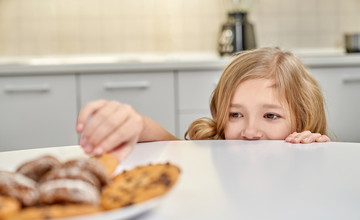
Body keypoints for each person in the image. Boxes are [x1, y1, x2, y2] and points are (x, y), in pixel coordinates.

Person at [76, 47, 331, 161]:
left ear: (303, 118)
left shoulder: (309, 151)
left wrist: (318, 155)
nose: (250, 132)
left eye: (271, 116)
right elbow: (170, 146)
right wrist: (136, 124)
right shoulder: (215, 153)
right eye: (235, 114)